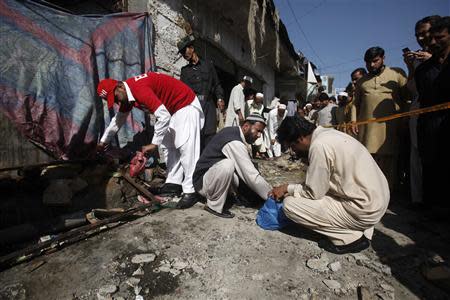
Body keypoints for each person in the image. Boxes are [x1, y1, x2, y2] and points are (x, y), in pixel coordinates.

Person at [270, 116, 389, 254]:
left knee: (290, 205)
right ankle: (358, 226)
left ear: (300, 139)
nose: (294, 151)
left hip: (364, 210)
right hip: (378, 201)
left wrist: (287, 188)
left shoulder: (319, 146)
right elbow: (322, 182)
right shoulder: (329, 134)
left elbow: (314, 193)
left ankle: (349, 238)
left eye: (292, 146)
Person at [96, 72, 204, 209]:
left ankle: (191, 190)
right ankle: (173, 184)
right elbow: (118, 120)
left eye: (115, 97)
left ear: (120, 87)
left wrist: (154, 143)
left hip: (185, 104)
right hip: (172, 110)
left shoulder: (138, 89)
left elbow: (163, 116)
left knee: (186, 147)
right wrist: (103, 142)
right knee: (169, 147)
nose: (117, 102)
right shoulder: (127, 96)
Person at [351, 47, 410, 191]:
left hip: (391, 128)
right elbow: (355, 104)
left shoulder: (397, 74)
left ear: (384, 58)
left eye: (375, 61)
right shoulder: (362, 82)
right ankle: (370, 192)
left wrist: (404, 120)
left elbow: (407, 99)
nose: (371, 65)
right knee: (368, 160)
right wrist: (353, 121)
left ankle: (388, 192)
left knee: (389, 160)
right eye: (368, 62)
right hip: (367, 130)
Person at [193, 114, 272, 218]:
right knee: (228, 165)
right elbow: (250, 175)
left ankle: (227, 196)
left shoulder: (234, 132)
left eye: (261, 132)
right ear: (246, 126)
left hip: (211, 177)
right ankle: (214, 206)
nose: (259, 135)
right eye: (258, 130)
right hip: (202, 184)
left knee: (241, 170)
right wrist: (271, 194)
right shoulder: (234, 141)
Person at [403, 15, 440, 206]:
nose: (421, 38)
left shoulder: (442, 54)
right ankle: (419, 200)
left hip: (440, 112)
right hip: (420, 110)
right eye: (418, 35)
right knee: (418, 154)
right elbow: (412, 88)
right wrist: (411, 67)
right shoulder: (418, 59)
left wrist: (433, 59)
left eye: (424, 33)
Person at [415, 16, 450, 216]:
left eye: (440, 37)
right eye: (432, 38)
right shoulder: (424, 70)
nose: (434, 42)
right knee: (430, 167)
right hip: (429, 125)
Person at [178, 35, 225, 150]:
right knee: (196, 135)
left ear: (192, 48)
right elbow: (183, 91)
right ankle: (197, 164)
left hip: (209, 104)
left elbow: (217, 84)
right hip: (195, 105)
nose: (184, 54)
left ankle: (208, 162)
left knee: (210, 134)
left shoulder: (208, 65)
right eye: (182, 53)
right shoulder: (185, 71)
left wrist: (220, 98)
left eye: (185, 50)